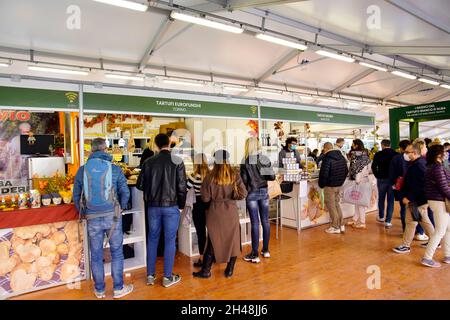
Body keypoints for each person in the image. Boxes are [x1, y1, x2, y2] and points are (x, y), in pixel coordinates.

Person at [73, 138, 133, 299]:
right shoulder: (115, 169)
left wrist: (84, 212)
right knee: (117, 253)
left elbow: (76, 195)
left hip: (92, 217)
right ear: (105, 149)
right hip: (112, 216)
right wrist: (120, 208)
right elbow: (125, 192)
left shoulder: (82, 170)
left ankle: (99, 290)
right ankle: (118, 288)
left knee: (96, 254)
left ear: (91, 150)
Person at [137, 133, 187, 288]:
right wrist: (181, 205)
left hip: (153, 207)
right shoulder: (178, 162)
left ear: (156, 145)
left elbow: (139, 185)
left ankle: (150, 276)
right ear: (169, 144)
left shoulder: (148, 162)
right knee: (170, 240)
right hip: (171, 206)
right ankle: (167, 277)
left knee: (152, 239)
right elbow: (182, 187)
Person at [193, 150, 247, 278]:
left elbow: (205, 198)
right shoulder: (235, 175)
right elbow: (243, 193)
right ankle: (229, 270)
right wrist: (232, 196)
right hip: (231, 212)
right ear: (227, 160)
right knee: (233, 240)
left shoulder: (209, 177)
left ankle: (206, 270)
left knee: (212, 240)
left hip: (214, 212)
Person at [393, 140, 435, 254]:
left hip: (417, 199)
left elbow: (419, 185)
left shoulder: (419, 165)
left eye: (408, 152)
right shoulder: (416, 163)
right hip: (418, 199)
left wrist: (409, 198)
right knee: (419, 220)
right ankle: (434, 240)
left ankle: (406, 245)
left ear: (415, 153)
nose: (405, 154)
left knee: (412, 221)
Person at [240, 137, 275, 263]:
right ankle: (265, 250)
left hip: (252, 193)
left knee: (255, 223)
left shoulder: (245, 161)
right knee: (265, 221)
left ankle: (254, 254)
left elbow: (243, 180)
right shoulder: (264, 159)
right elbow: (271, 176)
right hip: (264, 191)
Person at [421, 144, 450, 267]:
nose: (446, 154)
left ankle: (447, 255)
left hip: (438, 200)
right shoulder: (437, 168)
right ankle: (427, 258)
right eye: (445, 152)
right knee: (440, 231)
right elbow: (444, 187)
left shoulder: (433, 166)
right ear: (439, 154)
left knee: (447, 229)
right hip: (439, 201)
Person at [318, 142, 349, 234]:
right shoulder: (342, 157)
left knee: (331, 206)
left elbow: (324, 174)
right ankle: (341, 224)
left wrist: (322, 184)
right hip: (339, 185)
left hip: (330, 186)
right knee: (336, 204)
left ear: (325, 148)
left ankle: (335, 226)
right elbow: (346, 170)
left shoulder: (327, 158)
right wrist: (340, 181)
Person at [187, 153, 210, 268]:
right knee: (211, 233)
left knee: (201, 233)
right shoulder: (211, 174)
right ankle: (211, 256)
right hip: (210, 206)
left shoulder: (194, 175)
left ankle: (202, 258)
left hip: (199, 206)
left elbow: (185, 188)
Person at [371, 139, 398, 228]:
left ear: (382, 145)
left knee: (381, 198)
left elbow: (373, 166)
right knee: (391, 200)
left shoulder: (378, 154)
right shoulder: (396, 154)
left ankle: (381, 216)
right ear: (390, 145)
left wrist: (377, 175)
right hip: (392, 180)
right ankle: (388, 221)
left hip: (381, 179)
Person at [347, 139, 371, 229]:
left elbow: (355, 169)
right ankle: (355, 218)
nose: (352, 145)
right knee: (357, 200)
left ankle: (362, 222)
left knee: (359, 201)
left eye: (353, 144)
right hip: (365, 179)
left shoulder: (355, 155)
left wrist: (356, 179)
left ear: (356, 145)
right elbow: (368, 168)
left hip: (358, 180)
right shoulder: (366, 155)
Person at [389, 139, 411, 232]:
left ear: (401, 148)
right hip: (411, 186)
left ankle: (405, 229)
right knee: (413, 208)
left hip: (400, 185)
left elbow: (392, 172)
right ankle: (417, 231)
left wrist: (393, 184)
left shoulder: (396, 158)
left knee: (403, 208)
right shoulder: (413, 157)